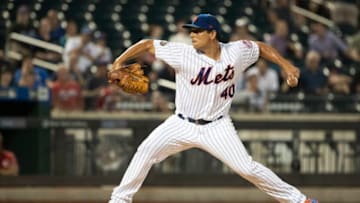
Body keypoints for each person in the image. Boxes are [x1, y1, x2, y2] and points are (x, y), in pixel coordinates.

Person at [108, 13, 318, 203]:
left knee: (247, 168)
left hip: (217, 126)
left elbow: (260, 47)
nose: (192, 35)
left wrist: (287, 65)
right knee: (145, 151)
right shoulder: (182, 53)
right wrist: (118, 62)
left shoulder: (235, 52)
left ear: (212, 33)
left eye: (198, 31)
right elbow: (147, 44)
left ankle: (299, 200)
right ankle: (119, 200)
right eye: (191, 30)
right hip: (181, 123)